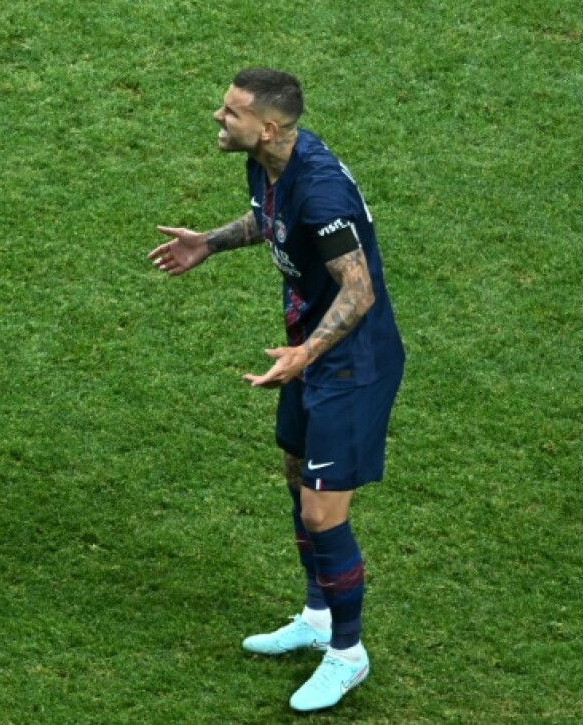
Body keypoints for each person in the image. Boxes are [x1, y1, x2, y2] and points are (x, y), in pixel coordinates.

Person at [147, 68, 404, 712]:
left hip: (351, 364)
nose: (218, 117)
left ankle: (347, 654)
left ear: (266, 127)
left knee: (322, 513)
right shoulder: (269, 162)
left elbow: (360, 291)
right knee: (295, 474)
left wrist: (306, 354)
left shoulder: (321, 192)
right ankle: (317, 616)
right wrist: (210, 243)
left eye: (230, 112)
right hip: (308, 354)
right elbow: (273, 221)